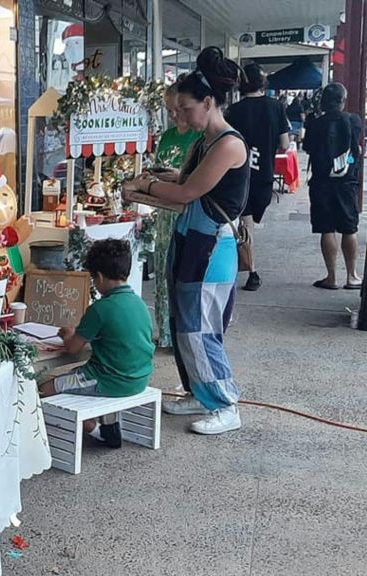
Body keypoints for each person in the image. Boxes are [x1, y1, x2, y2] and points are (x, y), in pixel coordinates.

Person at [122, 46, 249, 435]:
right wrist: (158, 179)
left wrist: (147, 184)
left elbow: (187, 191)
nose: (179, 117)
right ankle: (199, 390)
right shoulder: (203, 141)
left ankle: (225, 403)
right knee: (182, 322)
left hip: (211, 246)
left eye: (185, 109)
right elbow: (184, 180)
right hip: (190, 238)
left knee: (200, 327)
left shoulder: (228, 143)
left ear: (208, 102)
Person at [39, 239, 155, 447]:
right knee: (72, 375)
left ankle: (99, 431)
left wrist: (68, 334)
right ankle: (104, 425)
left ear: (99, 277)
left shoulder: (101, 308)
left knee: (45, 388)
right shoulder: (139, 303)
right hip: (139, 377)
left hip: (109, 380)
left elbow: (73, 348)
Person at [225, 62, 291, 291]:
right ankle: (249, 268)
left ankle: (249, 269)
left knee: (245, 221)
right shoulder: (276, 107)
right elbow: (285, 143)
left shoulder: (233, 111)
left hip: (238, 173)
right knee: (248, 221)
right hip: (264, 174)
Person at [151, 78, 202, 348]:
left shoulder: (199, 136)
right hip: (164, 212)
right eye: (168, 110)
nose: (172, 115)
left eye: (176, 109)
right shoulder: (167, 136)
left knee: (182, 271)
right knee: (162, 270)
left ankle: (183, 332)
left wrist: (177, 177)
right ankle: (165, 331)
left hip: (185, 210)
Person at [303, 82, 363, 290]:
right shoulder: (354, 121)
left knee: (326, 228)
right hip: (347, 182)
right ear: (343, 101)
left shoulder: (315, 123)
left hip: (321, 182)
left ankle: (331, 277)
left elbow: (308, 148)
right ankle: (352, 275)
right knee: (350, 228)